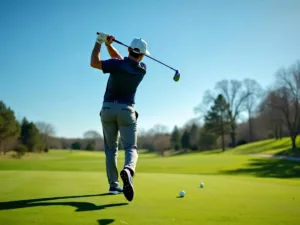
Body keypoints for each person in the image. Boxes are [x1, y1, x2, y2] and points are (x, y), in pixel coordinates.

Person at [90, 32, 149, 202]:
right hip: (126, 110)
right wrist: (109, 45)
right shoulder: (142, 69)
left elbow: (95, 63)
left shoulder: (117, 65)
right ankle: (129, 170)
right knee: (131, 147)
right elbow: (122, 62)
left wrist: (99, 43)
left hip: (108, 108)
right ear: (143, 55)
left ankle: (113, 185)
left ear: (129, 49)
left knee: (111, 149)